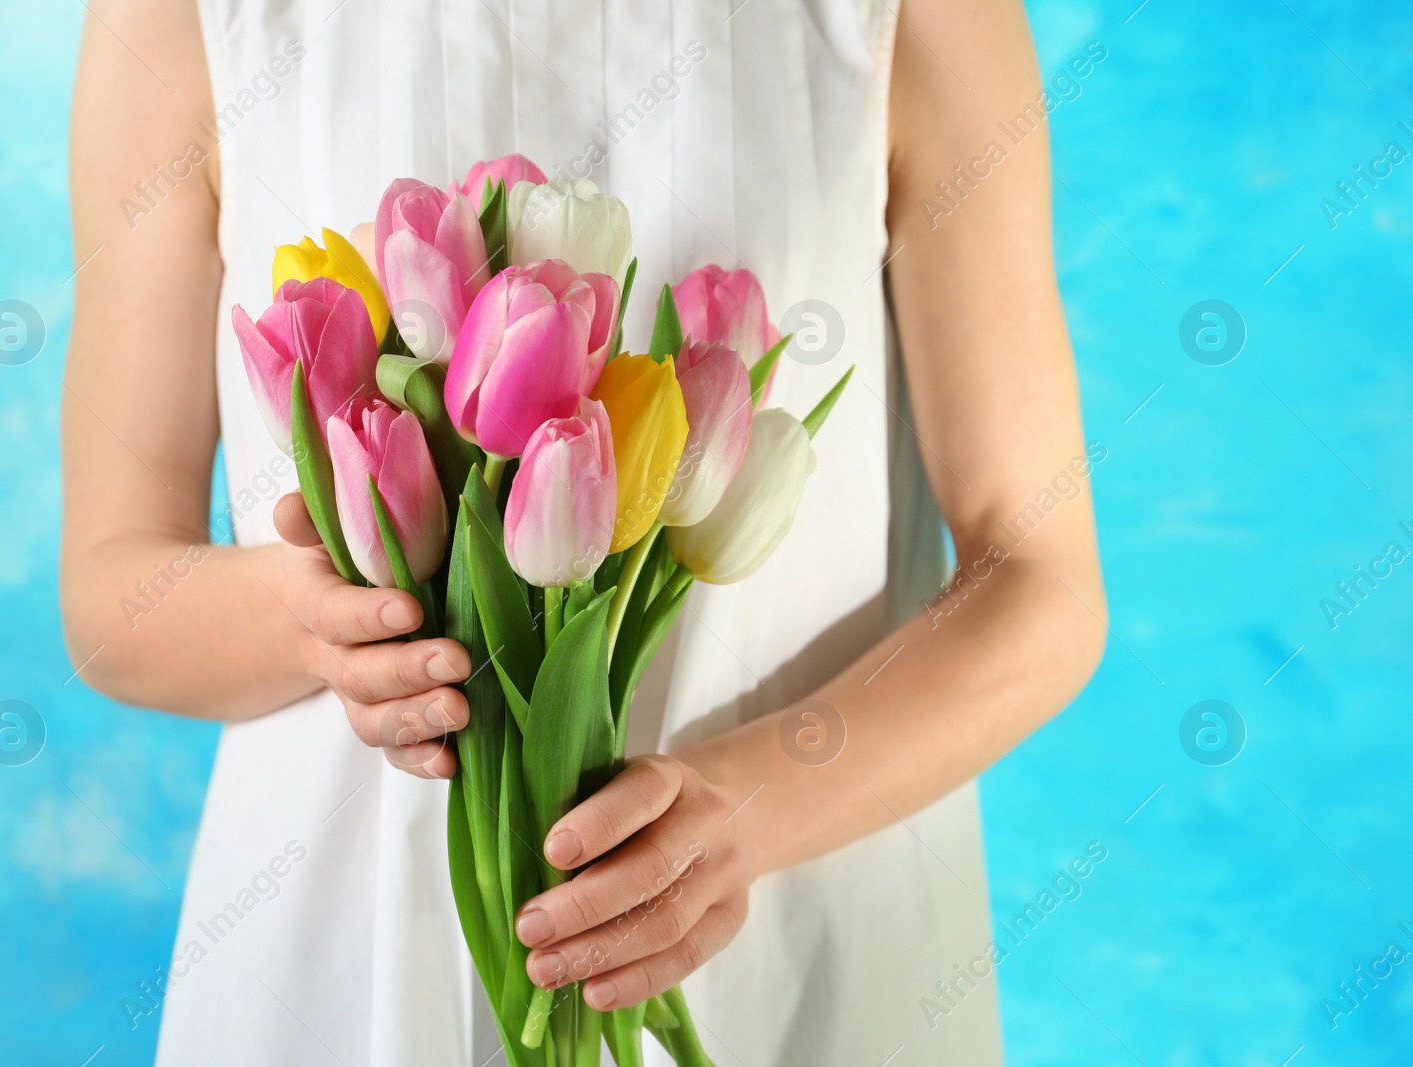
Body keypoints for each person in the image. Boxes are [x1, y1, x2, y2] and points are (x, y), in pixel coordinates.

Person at [60, 0, 1105, 1063]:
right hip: (342, 960)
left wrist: (750, 808)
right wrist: (308, 620)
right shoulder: (182, 17)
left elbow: (1039, 584)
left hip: (788, 929)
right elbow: (111, 594)